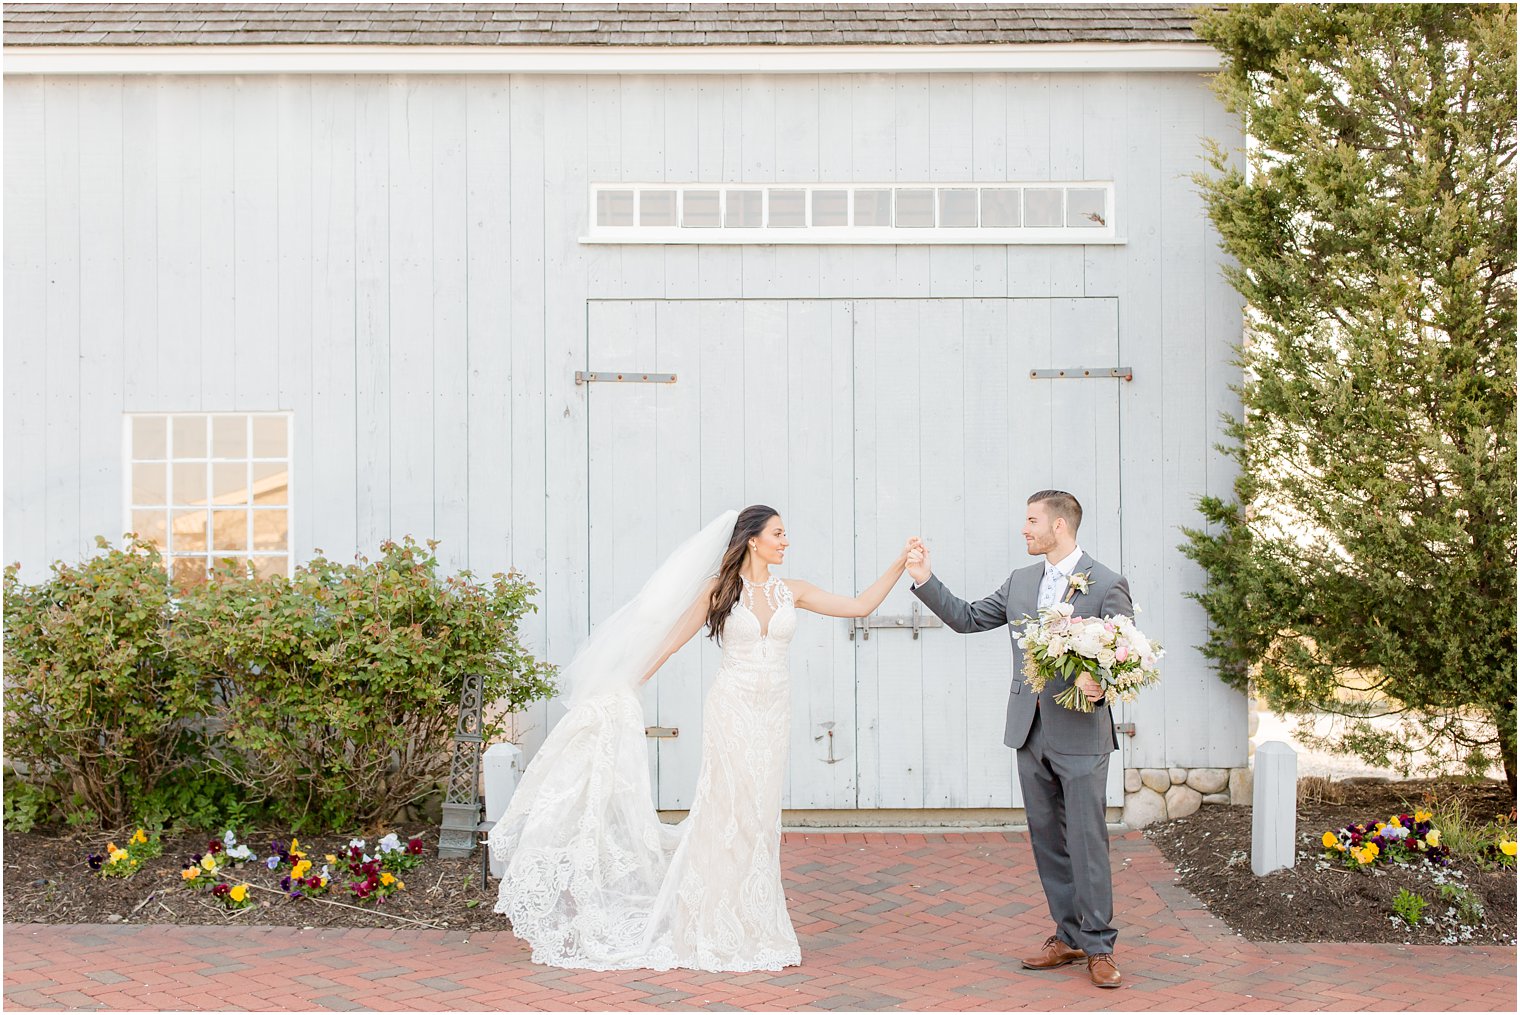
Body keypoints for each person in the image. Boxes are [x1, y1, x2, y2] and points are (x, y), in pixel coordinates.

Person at [490, 505, 913, 972]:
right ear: (753, 539)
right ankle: (709, 922)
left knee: (759, 815)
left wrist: (900, 564)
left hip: (773, 715)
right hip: (731, 710)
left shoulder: (793, 591)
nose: (785, 541)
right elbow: (672, 640)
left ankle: (754, 921)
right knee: (726, 810)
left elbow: (858, 606)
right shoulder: (722, 590)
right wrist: (627, 683)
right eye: (778, 533)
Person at [906, 490, 1132, 989]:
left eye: (1032, 521)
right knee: (1048, 840)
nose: (1024, 530)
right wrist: (924, 577)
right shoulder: (1021, 581)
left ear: (1060, 526)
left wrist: (1103, 683)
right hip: (1028, 731)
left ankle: (1099, 945)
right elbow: (967, 618)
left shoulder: (1107, 583)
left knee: (1087, 842)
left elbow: (1126, 653)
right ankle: (1068, 935)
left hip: (1081, 733)